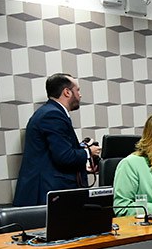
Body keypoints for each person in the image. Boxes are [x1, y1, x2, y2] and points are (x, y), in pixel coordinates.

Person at [13, 73, 101, 206]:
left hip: (49, 190)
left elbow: (55, 154)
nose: (80, 95)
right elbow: (64, 156)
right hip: (47, 193)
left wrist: (83, 156)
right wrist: (89, 152)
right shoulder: (53, 115)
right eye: (78, 90)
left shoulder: (50, 112)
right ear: (67, 92)